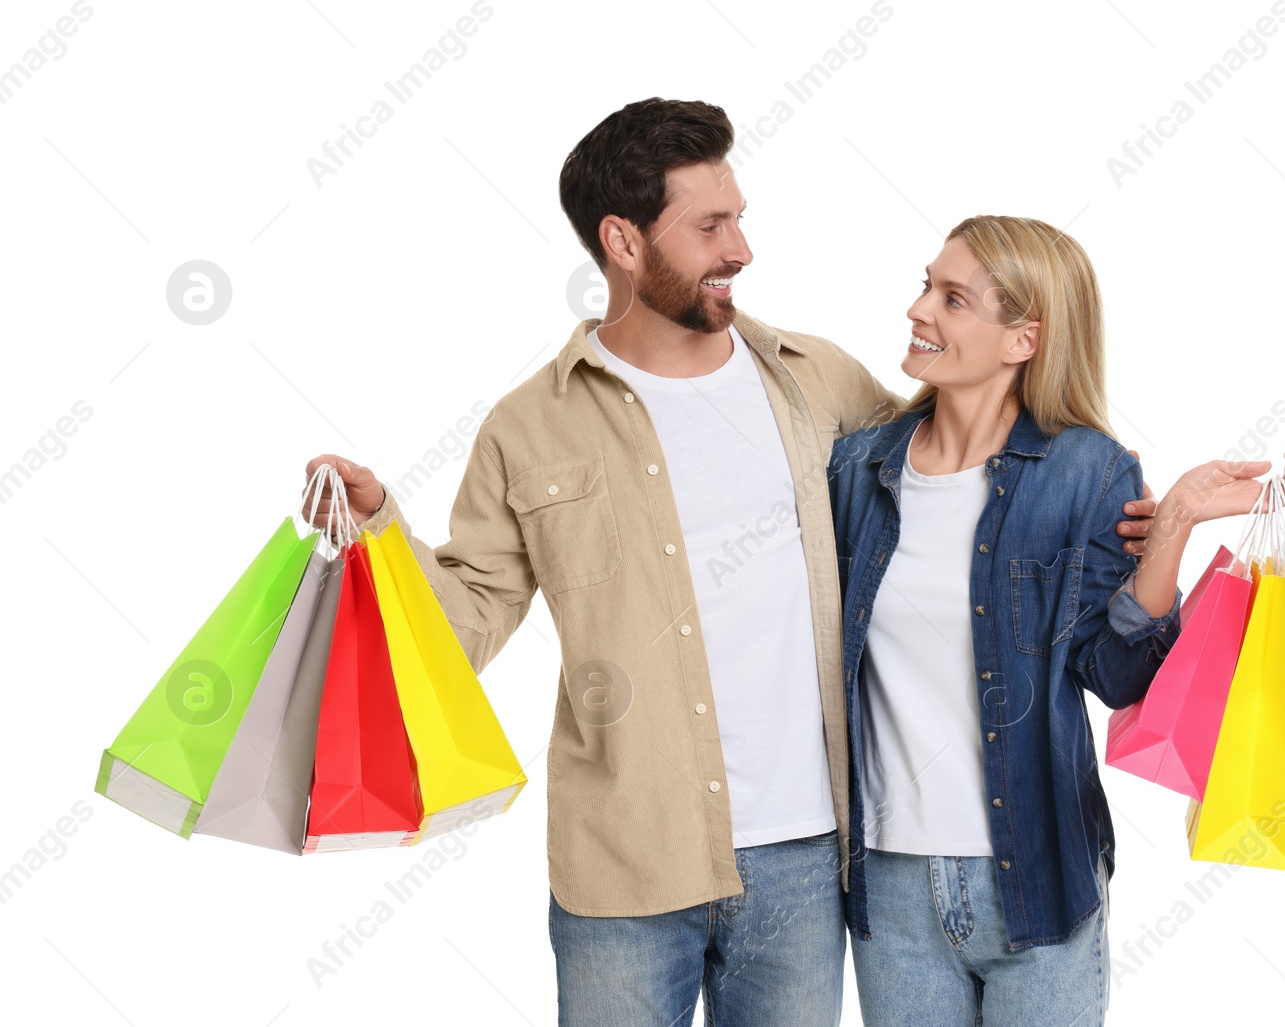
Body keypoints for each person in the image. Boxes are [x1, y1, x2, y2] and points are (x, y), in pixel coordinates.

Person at [302, 99, 1164, 1026]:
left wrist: (1120, 523)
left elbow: (961, 469)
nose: (741, 248)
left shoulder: (818, 381)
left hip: (808, 865)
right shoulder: (529, 427)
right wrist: (382, 532)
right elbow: (463, 624)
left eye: (740, 218)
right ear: (623, 242)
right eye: (711, 226)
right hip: (626, 866)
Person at [826, 215, 1285, 1026]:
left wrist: (1176, 522)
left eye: (952, 298)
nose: (918, 310)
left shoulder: (1088, 468)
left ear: (1024, 338)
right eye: (924, 284)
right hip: (890, 883)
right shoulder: (859, 466)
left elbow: (1117, 677)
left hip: (1039, 875)